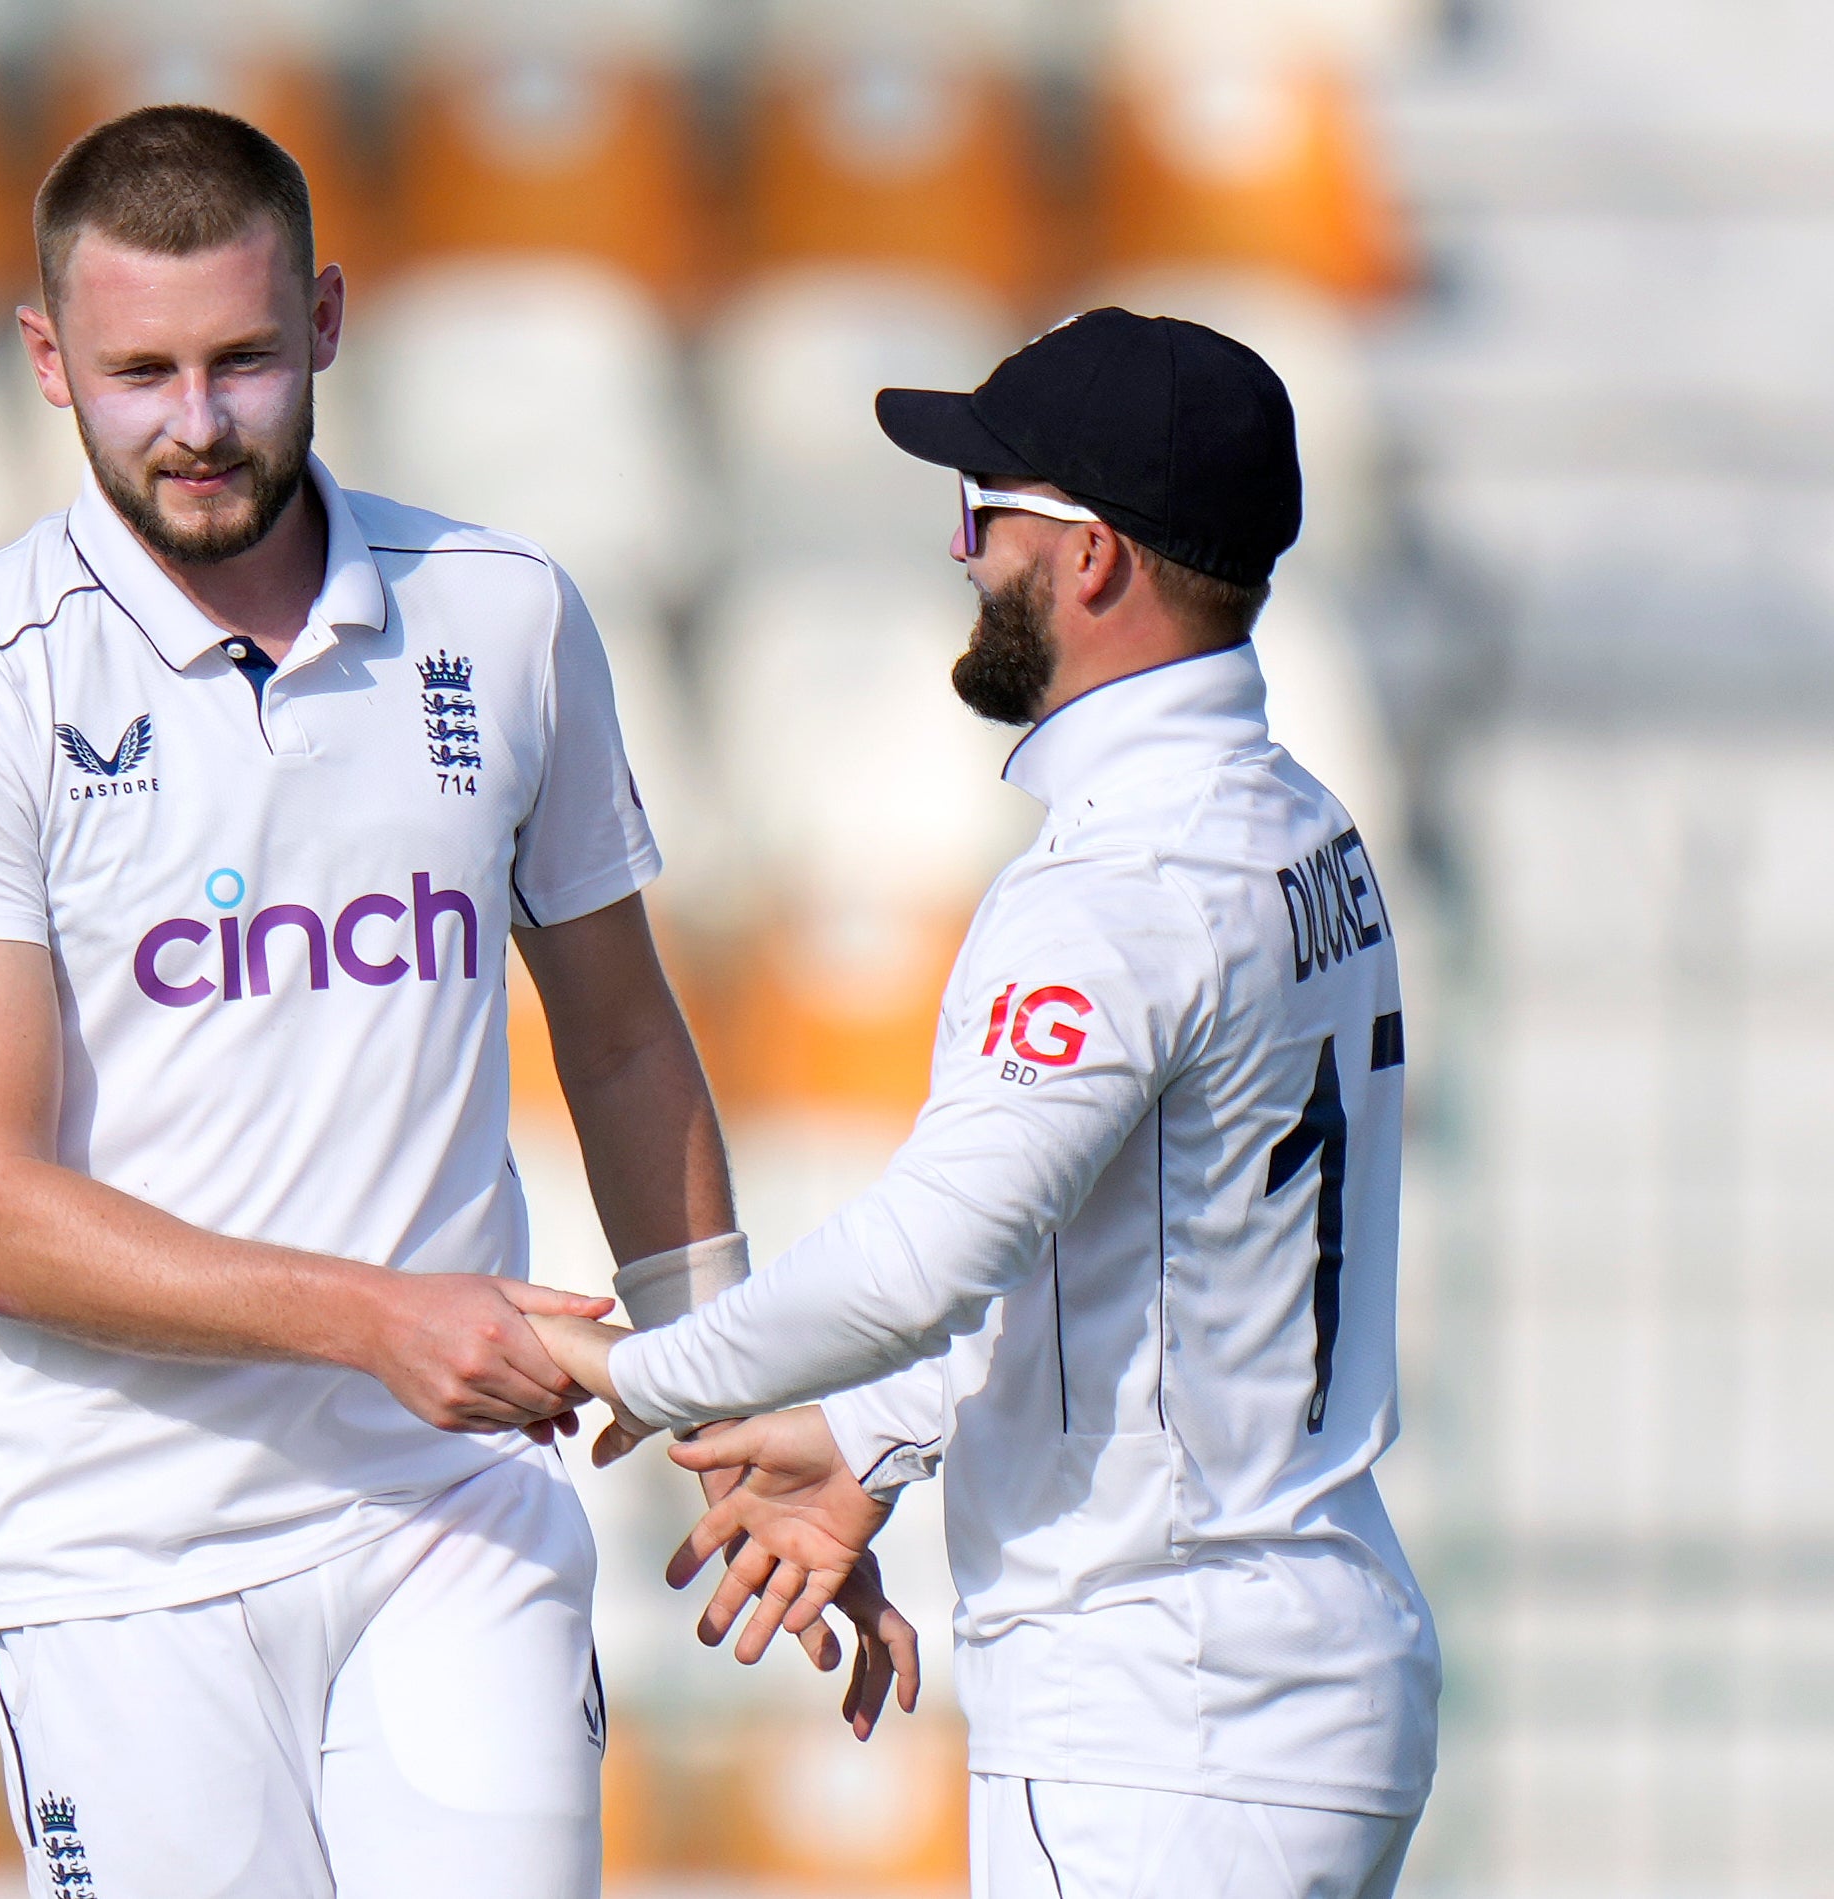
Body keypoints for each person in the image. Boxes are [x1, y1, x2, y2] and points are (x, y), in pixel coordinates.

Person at [0, 106, 903, 1899]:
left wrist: (740, 1416)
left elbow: (627, 1040)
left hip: (447, 1514)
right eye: (139, 370)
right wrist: (375, 1321)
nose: (195, 423)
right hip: (113, 1554)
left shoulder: (501, 617)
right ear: (45, 361)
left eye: (243, 359)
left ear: (324, 319)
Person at [537, 309, 1442, 1898]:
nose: (962, 557)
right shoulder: (1297, 825)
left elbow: (924, 1264)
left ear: (1090, 562)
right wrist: (868, 1441)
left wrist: (643, 1371)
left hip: (1158, 1724)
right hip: (1295, 1670)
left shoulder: (1113, 888)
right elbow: (1126, 1265)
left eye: (985, 516)